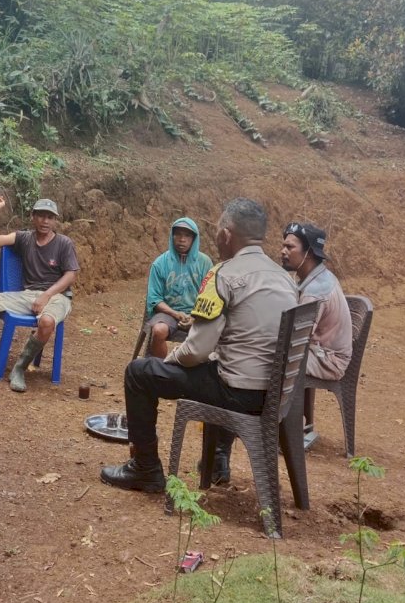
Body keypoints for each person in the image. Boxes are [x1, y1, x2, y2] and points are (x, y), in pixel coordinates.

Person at [100, 198, 297, 493]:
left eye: (218, 230)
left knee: (140, 373)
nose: (216, 236)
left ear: (227, 235)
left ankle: (145, 469)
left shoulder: (224, 273)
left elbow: (195, 352)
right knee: (222, 366)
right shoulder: (285, 279)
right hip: (275, 395)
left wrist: (169, 360)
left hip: (236, 394)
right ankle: (217, 461)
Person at [0, 196, 80, 392]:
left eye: (50, 217)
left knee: (47, 322)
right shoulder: (24, 238)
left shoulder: (64, 243)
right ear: (33, 217)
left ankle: (19, 368)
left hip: (58, 296)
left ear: (55, 220)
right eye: (41, 216)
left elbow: (71, 275)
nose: (45, 221)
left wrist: (46, 295)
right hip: (27, 295)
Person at [280, 221, 353, 446]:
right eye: (283, 245)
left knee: (279, 359)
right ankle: (295, 425)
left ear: (308, 253)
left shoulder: (316, 290)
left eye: (290, 247)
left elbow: (297, 338)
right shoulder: (317, 277)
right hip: (321, 351)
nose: (283, 251)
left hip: (330, 359)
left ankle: (285, 429)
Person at [144, 217, 212, 358]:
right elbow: (154, 299)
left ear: (194, 239)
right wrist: (175, 314)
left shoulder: (205, 263)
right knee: (159, 331)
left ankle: (196, 373)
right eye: (178, 234)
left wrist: (195, 316)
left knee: (217, 333)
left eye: (187, 235)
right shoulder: (160, 263)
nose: (182, 239)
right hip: (168, 313)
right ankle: (160, 369)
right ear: (172, 236)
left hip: (197, 315)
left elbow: (210, 295)